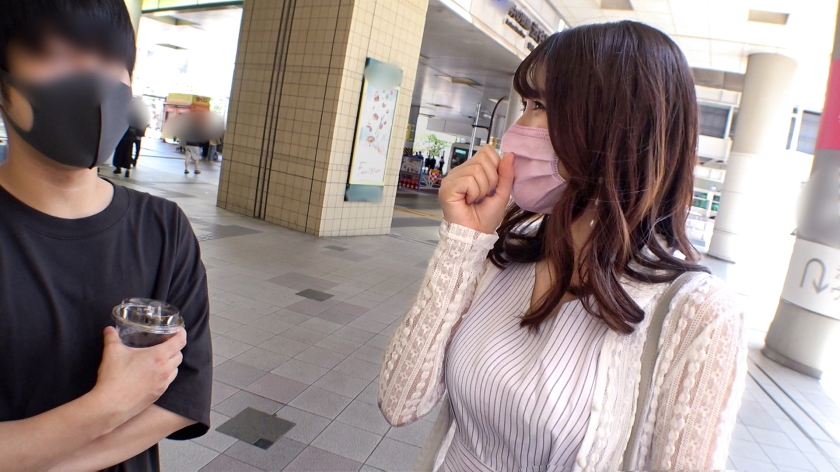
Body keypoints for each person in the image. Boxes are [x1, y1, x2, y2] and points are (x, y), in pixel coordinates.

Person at [379, 21, 746, 472]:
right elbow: (400, 401)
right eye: (525, 104)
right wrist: (463, 240)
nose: (518, 129)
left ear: (615, 127)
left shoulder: (699, 316)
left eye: (540, 106)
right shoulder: (509, 252)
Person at [0, 1, 212, 471]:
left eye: (110, 56)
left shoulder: (164, 228)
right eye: (57, 52)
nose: (91, 74)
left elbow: (182, 400)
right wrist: (106, 405)